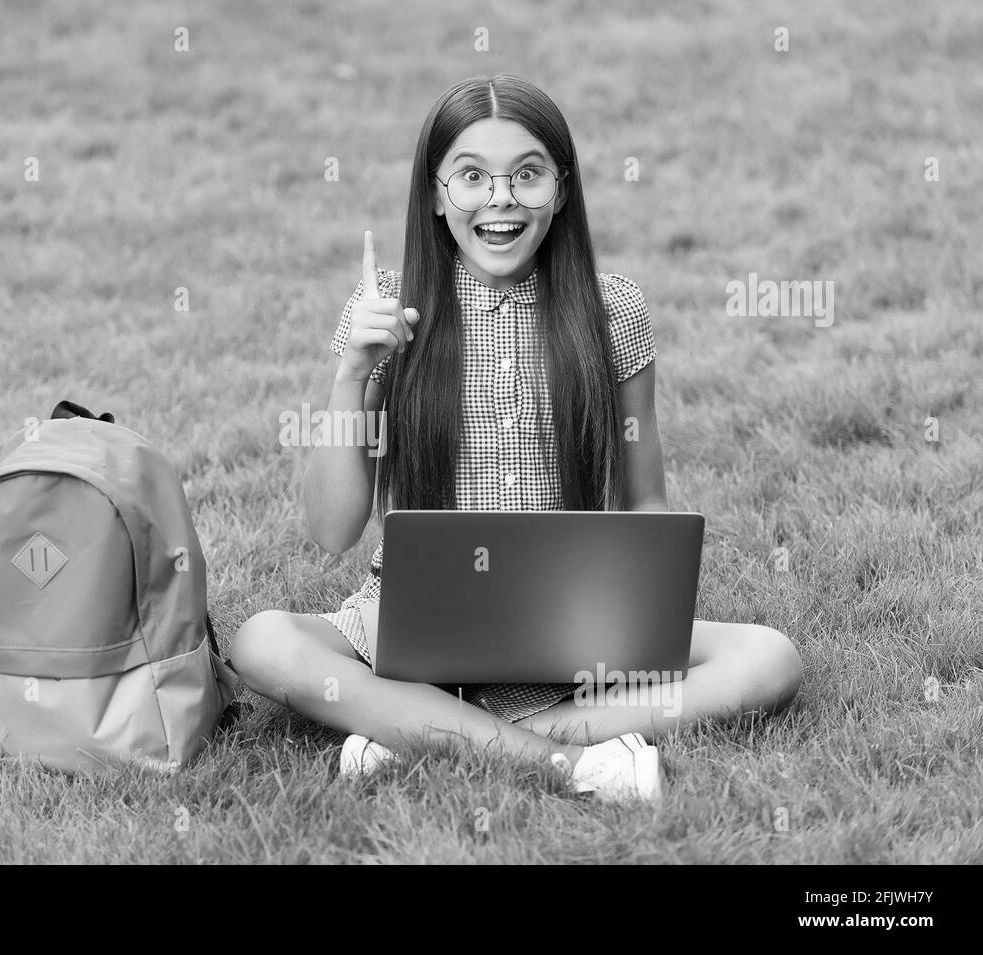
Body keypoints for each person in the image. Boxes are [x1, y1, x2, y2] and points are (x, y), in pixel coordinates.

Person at [231, 73, 801, 803]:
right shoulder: (386, 313)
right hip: (412, 616)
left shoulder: (613, 312)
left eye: (526, 175)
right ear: (436, 193)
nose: (499, 199)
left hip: (571, 617)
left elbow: (645, 497)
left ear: (560, 190)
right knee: (261, 641)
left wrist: (645, 599)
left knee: (768, 657)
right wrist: (353, 373)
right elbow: (331, 526)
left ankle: (424, 731)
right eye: (471, 176)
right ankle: (566, 754)